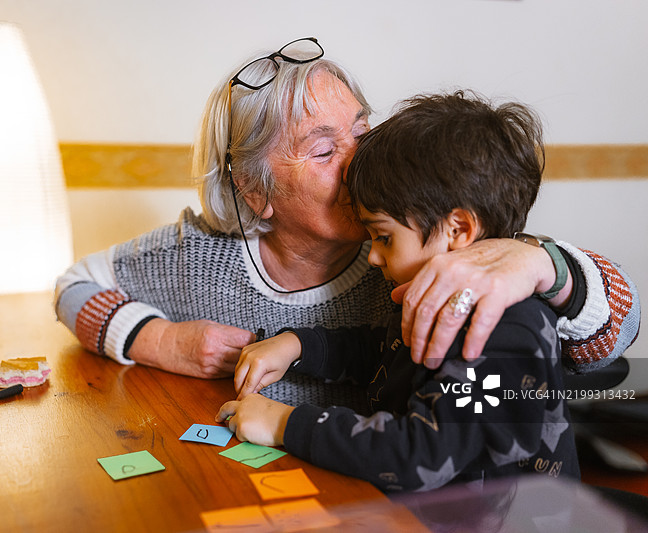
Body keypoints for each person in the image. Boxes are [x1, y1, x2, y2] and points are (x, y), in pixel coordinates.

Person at [54, 38, 639, 407]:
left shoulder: (427, 248)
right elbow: (74, 284)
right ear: (256, 190)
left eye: (361, 131)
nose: (362, 161)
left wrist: (543, 263)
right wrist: (157, 340)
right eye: (322, 149)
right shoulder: (199, 252)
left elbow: (612, 345)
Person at [217, 91, 579, 492]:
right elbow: (385, 355)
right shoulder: (435, 297)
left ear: (458, 230)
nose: (372, 256)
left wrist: (287, 424)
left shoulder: (504, 330)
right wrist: (300, 345)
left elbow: (424, 452)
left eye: (384, 237)